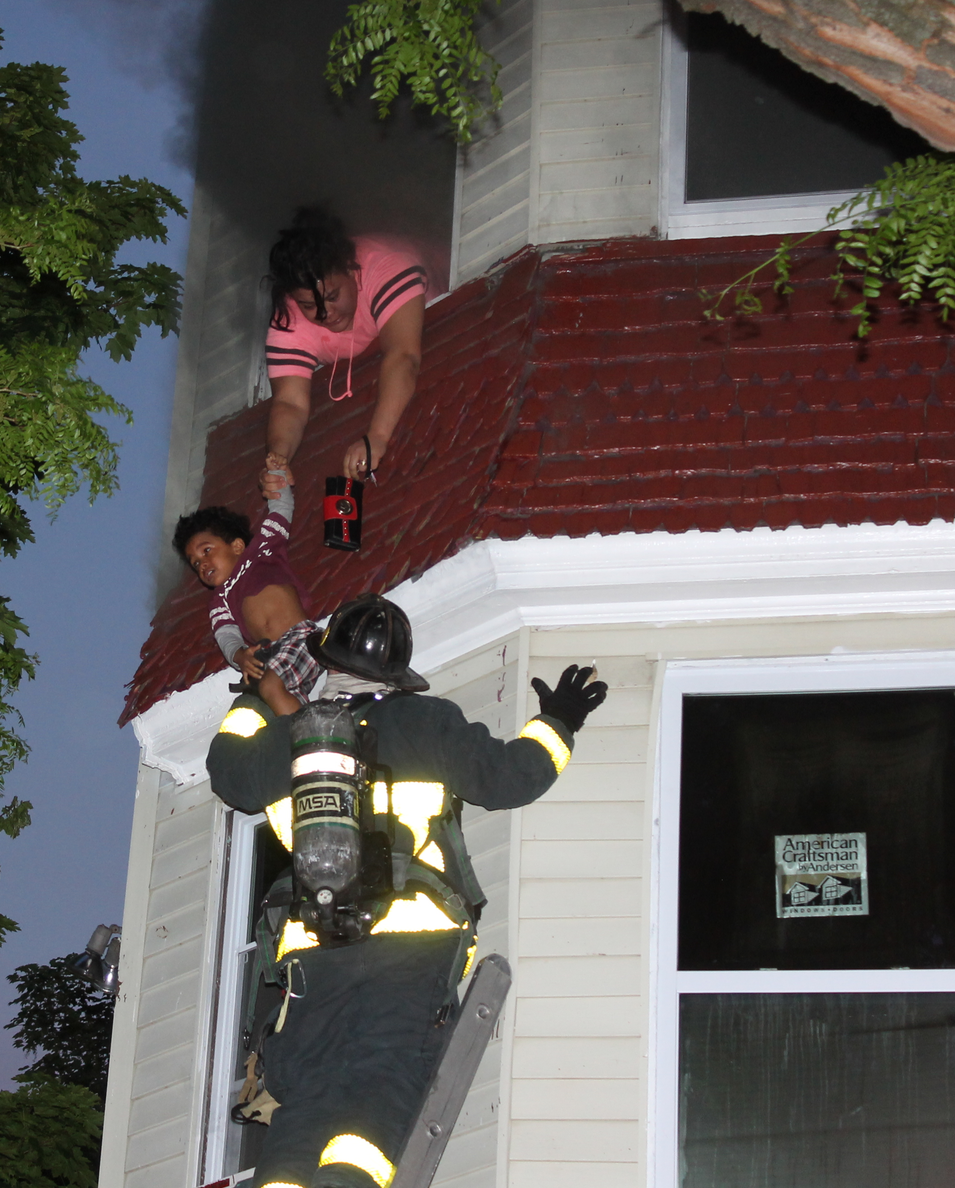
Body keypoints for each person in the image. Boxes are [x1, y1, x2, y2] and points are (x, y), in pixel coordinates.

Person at [206, 594, 606, 1188]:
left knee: (309, 1096)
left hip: (316, 953)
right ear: (396, 676)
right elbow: (509, 777)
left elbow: (228, 770)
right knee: (382, 1084)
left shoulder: (294, 738)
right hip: (413, 946)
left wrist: (250, 696)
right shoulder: (426, 723)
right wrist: (560, 721)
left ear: (325, 661)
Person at [260, 209, 430, 501]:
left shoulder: (387, 264)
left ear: (352, 271)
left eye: (332, 297)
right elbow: (290, 403)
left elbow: (403, 355)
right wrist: (278, 458)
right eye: (309, 306)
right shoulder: (287, 318)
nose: (324, 314)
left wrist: (378, 436)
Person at [173, 463, 325, 717]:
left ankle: (307, 734)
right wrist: (239, 656)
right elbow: (226, 636)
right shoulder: (219, 601)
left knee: (269, 686)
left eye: (207, 550)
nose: (203, 564)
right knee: (271, 701)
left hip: (301, 637)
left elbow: (281, 506)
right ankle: (310, 735)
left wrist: (276, 471)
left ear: (237, 546)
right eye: (196, 563)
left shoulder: (262, 549)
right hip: (272, 654)